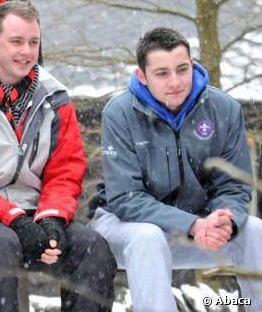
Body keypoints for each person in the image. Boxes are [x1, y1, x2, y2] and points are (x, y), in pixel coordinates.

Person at [0, 0, 116, 312]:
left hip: (36, 213)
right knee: (1, 246)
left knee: (93, 249)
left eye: (33, 42)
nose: (26, 52)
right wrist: (14, 219)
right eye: (17, 42)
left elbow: (65, 171)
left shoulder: (55, 98)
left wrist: (51, 218)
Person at [88, 27, 262, 311]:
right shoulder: (118, 113)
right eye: (162, 73)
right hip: (125, 229)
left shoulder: (224, 108)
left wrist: (223, 220)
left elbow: (235, 185)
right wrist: (192, 224)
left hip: (201, 228)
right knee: (148, 236)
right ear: (142, 76)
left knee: (254, 230)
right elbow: (126, 198)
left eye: (183, 69)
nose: (176, 82)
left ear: (192, 64)